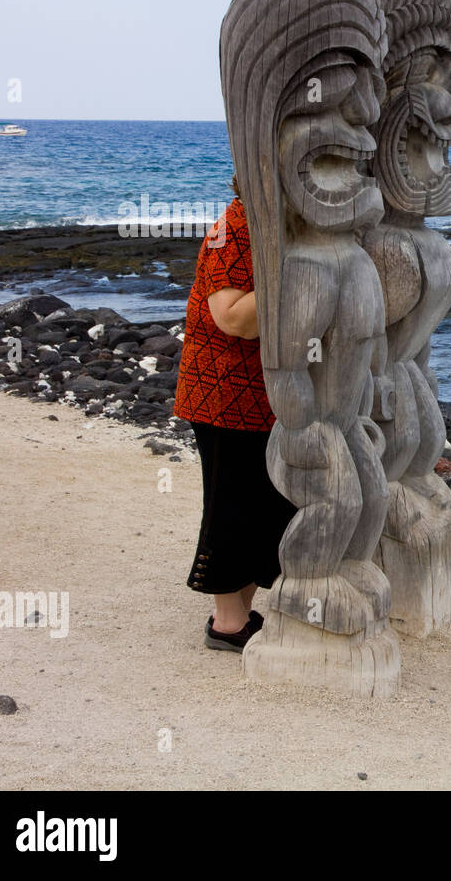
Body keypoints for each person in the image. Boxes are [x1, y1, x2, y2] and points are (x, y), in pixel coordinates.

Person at [173, 176, 297, 652]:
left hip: (262, 395)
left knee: (263, 502)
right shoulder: (236, 226)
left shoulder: (269, 224)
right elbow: (232, 317)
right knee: (231, 504)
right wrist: (299, 274)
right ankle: (227, 624)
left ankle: (238, 612)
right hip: (223, 391)